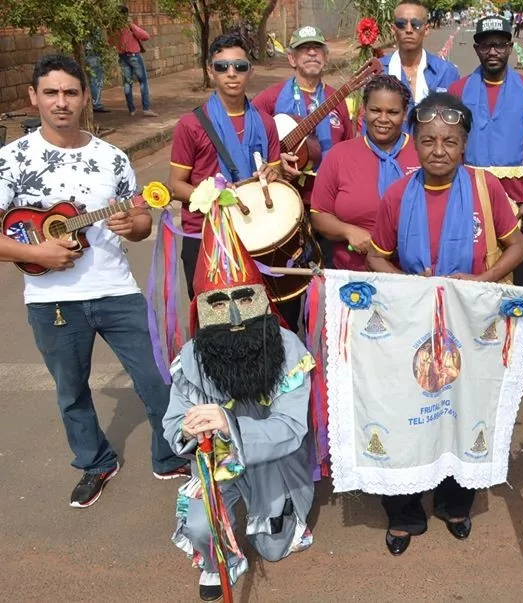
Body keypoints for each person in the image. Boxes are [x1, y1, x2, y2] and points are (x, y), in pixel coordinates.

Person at [0, 55, 188, 508]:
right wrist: (37, 253)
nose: (61, 102)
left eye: (70, 92)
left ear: (85, 96)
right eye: (51, 92)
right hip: (51, 299)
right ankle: (95, 463)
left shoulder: (111, 158)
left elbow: (140, 220)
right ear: (33, 97)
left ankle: (168, 456)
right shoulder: (11, 160)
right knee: (72, 392)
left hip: (117, 290)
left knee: (159, 377)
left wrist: (135, 224)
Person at [367, 92, 523, 555]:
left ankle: (455, 503)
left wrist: (480, 281)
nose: (439, 150)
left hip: (471, 325)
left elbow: (517, 247)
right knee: (408, 413)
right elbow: (376, 255)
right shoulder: (399, 193)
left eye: (450, 141)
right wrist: (408, 288)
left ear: (464, 145)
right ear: (414, 143)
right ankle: (404, 511)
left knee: (463, 410)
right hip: (413, 325)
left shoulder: (485, 189)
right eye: (428, 141)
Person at [164, 189, 314, 602]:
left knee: (274, 547)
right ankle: (220, 561)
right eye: (218, 303)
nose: (233, 315)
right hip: (216, 462)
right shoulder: (192, 357)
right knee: (201, 525)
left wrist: (229, 424)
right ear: (200, 308)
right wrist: (189, 429)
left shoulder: (288, 348)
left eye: (245, 298)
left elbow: (292, 427)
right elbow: (173, 425)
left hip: (273, 460)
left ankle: (282, 516)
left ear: (262, 300)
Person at [167, 35, 287, 322]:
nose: (231, 73)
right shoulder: (191, 124)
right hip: (205, 238)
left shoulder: (265, 123)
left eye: (239, 66)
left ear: (250, 71)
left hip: (256, 233)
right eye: (222, 67)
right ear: (211, 71)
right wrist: (214, 196)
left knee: (259, 322)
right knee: (215, 324)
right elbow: (176, 185)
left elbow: (277, 176)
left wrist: (274, 175)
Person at [449, 15, 523, 287]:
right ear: (476, 48)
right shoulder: (458, 90)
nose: (493, 52)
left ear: (510, 47)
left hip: (516, 202)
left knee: (516, 281)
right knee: (472, 274)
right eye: (486, 45)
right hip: (470, 199)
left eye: (500, 45)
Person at [310, 75, 420, 272]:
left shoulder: (422, 153)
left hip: (413, 274)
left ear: (405, 114)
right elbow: (319, 215)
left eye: (393, 112)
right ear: (364, 110)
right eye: (375, 110)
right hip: (352, 275)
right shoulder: (340, 155)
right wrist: (347, 231)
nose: (383, 119)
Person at [253, 25, 353, 206]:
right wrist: (274, 162)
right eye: (304, 48)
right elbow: (247, 139)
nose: (312, 53)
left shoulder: (337, 98)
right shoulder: (270, 98)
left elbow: (348, 147)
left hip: (330, 199)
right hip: (285, 199)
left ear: (326, 57)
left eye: (317, 48)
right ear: (292, 58)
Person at [381, 0, 461, 108]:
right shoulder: (378, 71)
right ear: (393, 29)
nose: (409, 30)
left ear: (426, 29)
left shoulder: (447, 72)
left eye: (416, 24)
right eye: (401, 24)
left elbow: (457, 115)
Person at [111, 5, 157, 117]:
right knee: (143, 81)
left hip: (122, 56)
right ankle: (146, 108)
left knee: (127, 83)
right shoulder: (129, 26)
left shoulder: (113, 28)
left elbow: (110, 41)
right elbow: (146, 36)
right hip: (134, 56)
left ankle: (131, 109)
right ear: (126, 14)